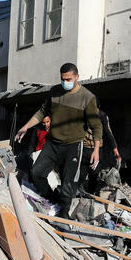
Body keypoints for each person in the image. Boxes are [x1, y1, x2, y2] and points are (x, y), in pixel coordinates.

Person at [14, 63, 102, 215]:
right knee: (36, 172)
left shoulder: (87, 97)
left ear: (77, 77)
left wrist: (96, 150)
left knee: (68, 183)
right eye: (63, 79)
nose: (65, 82)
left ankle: (64, 215)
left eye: (69, 79)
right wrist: (26, 127)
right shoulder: (54, 92)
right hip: (53, 143)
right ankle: (52, 199)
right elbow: (42, 112)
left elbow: (96, 126)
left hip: (73, 146)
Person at [79, 107, 120, 193]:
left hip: (97, 149)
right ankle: (81, 193)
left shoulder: (102, 116)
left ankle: (91, 194)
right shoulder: (82, 115)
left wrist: (115, 149)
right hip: (85, 148)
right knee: (81, 174)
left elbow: (108, 133)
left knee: (94, 174)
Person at [17, 116, 50, 183]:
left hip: (48, 155)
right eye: (43, 123)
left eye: (47, 122)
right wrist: (30, 154)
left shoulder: (53, 132)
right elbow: (32, 143)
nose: (45, 124)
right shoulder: (38, 130)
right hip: (37, 154)